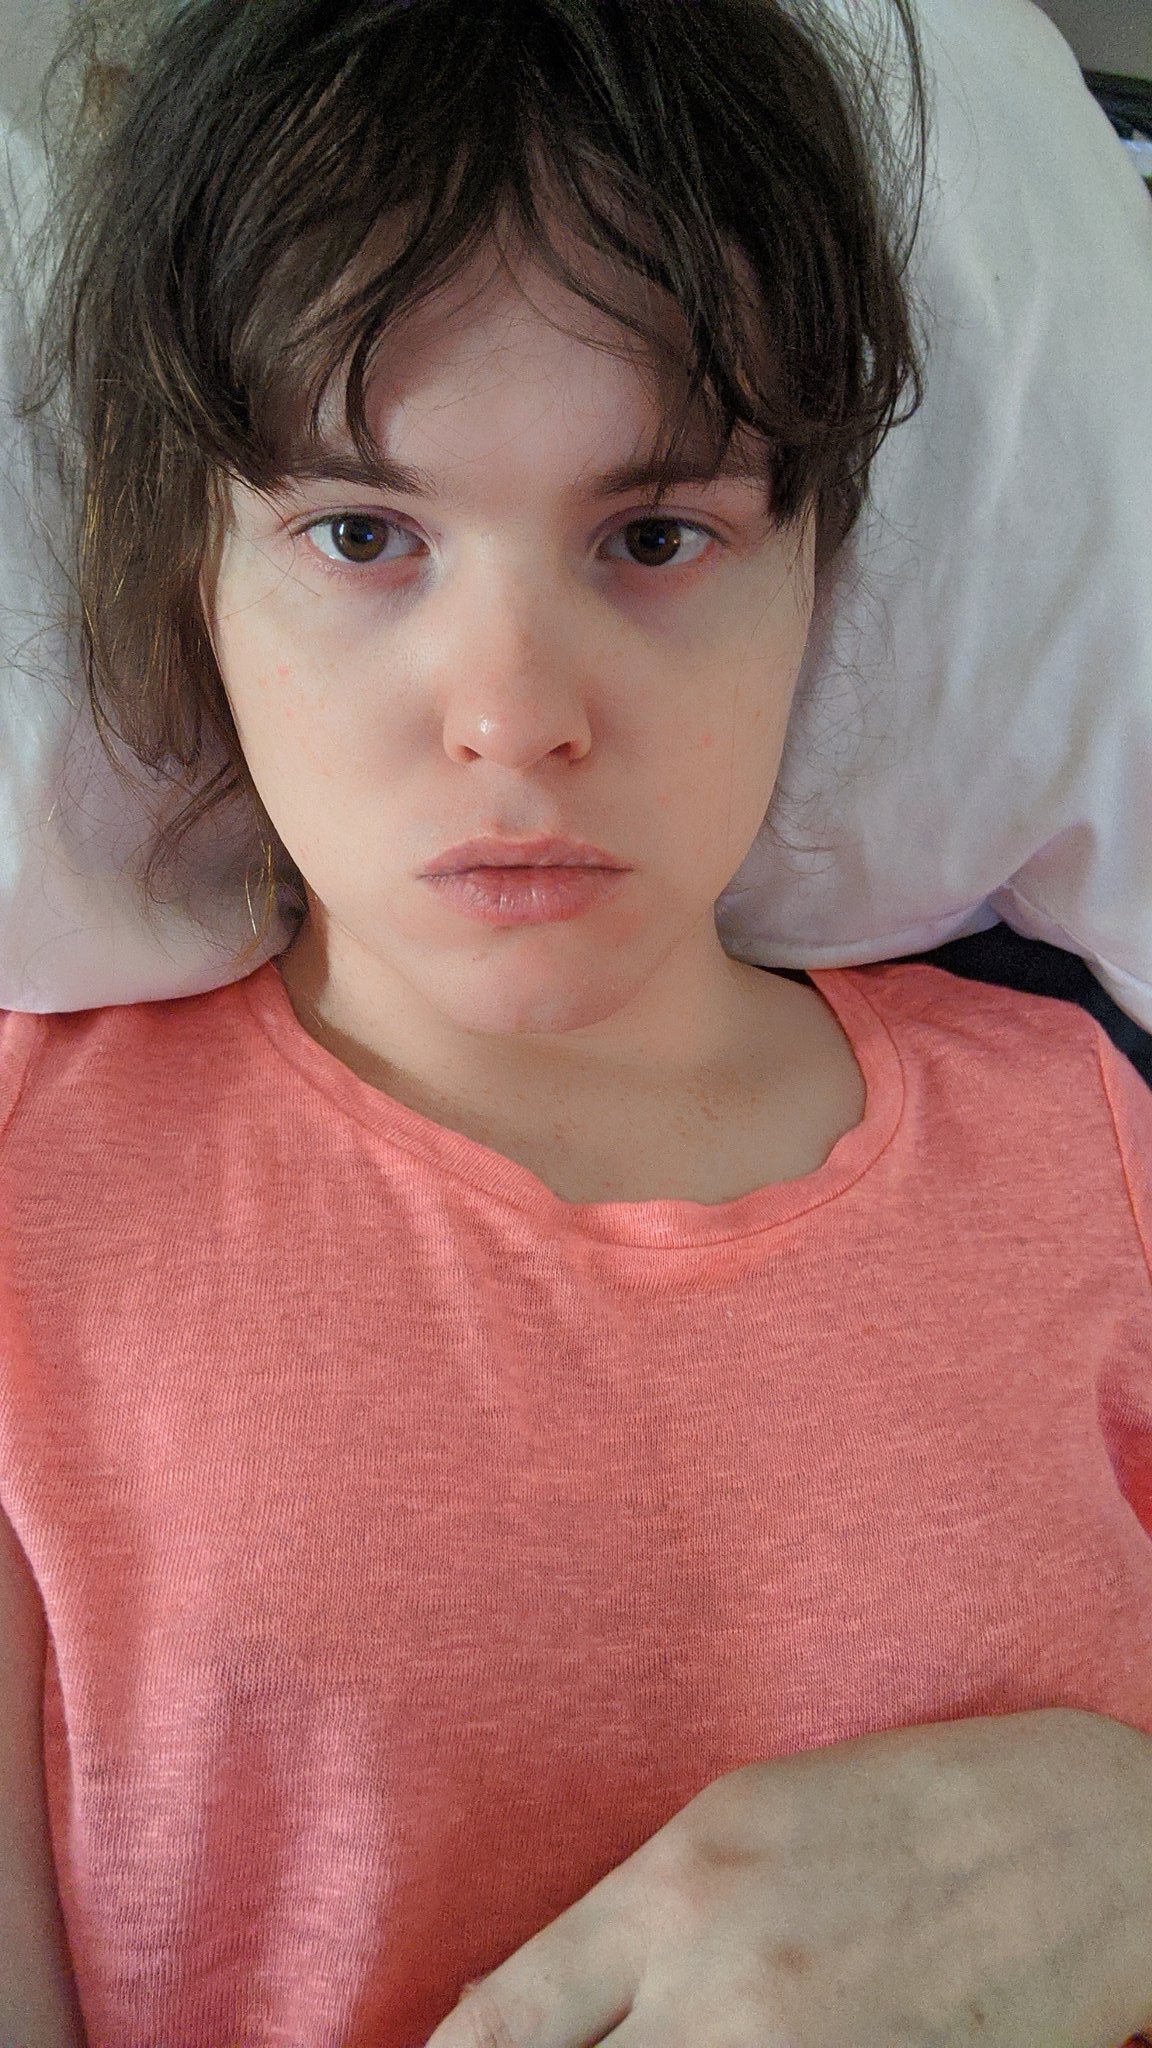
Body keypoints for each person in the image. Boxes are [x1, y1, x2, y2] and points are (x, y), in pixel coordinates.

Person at [2, 2, 1150, 2044]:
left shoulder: (1098, 1145)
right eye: (363, 534)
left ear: (815, 566)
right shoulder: (30, 1200)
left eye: (653, 536)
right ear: (199, 577)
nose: (515, 712)